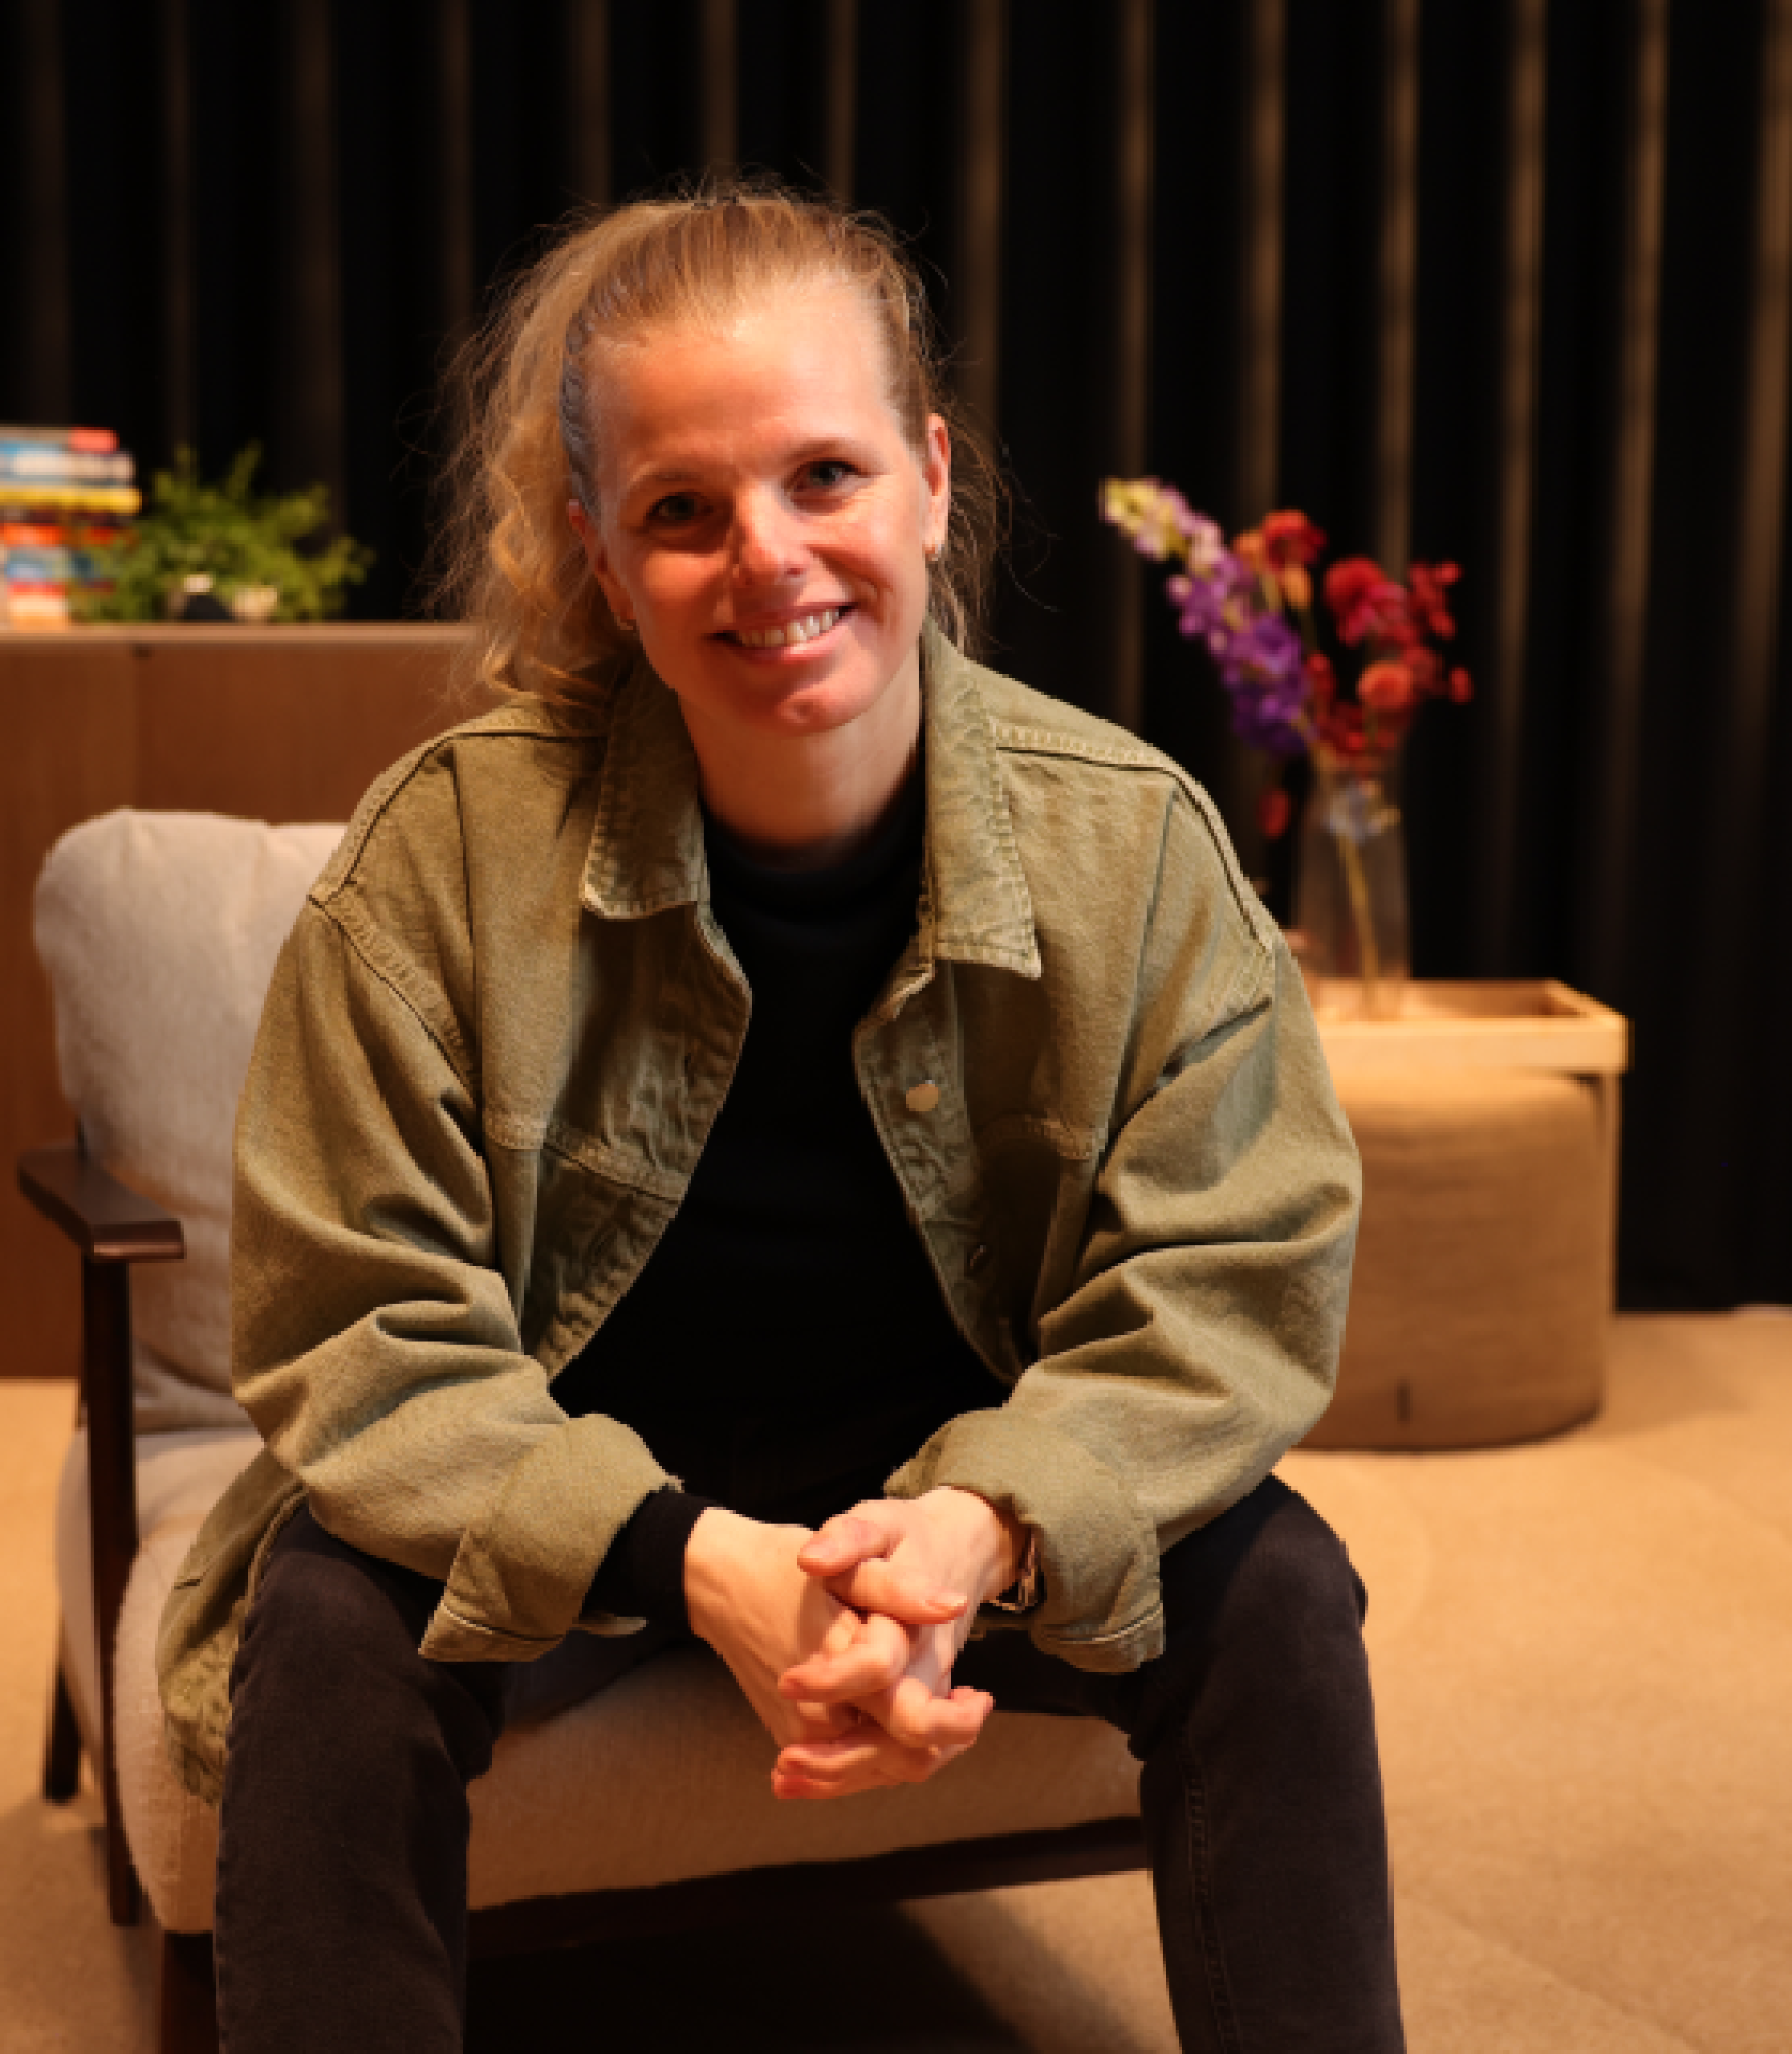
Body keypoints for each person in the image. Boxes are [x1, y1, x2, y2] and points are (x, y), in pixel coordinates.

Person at [158, 181, 1404, 2053]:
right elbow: (356, 1328)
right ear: (598, 555)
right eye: (680, 509)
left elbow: (1231, 1280)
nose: (768, 556)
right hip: (581, 1505)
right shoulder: (435, 857)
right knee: (331, 1620)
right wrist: (689, 1553)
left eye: (824, 474)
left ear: (927, 479)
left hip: (958, 1494)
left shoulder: (1136, 845)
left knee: (1277, 1588)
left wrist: (984, 1520)